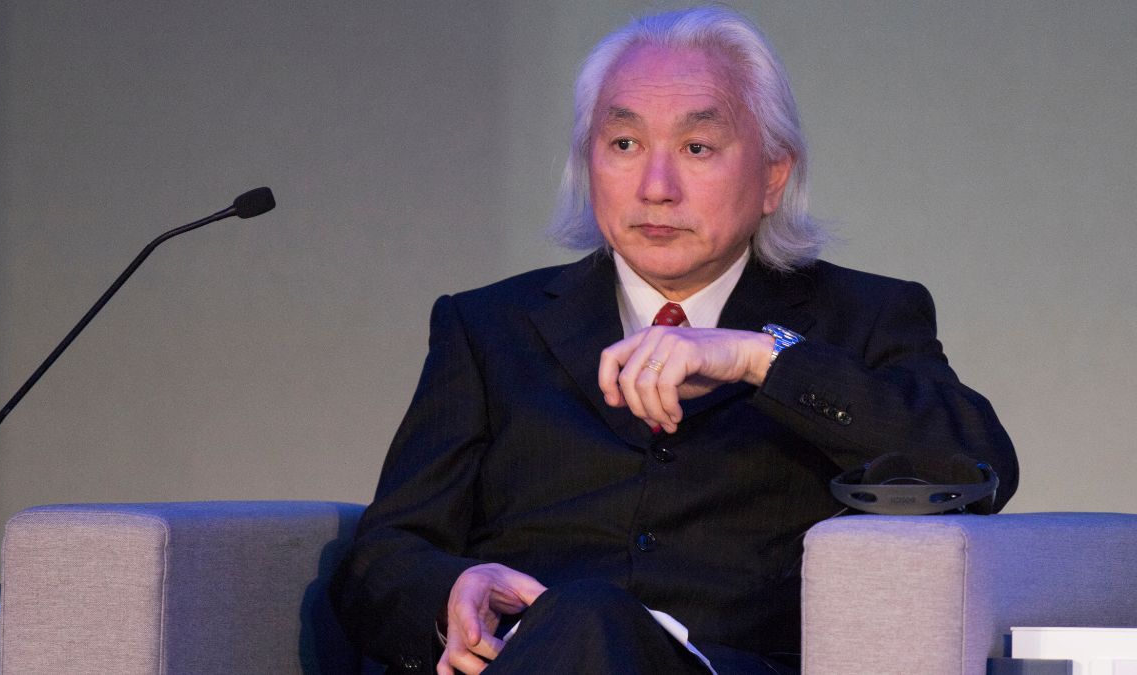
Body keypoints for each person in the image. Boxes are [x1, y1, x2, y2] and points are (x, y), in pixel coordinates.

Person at [333, 6, 1019, 674]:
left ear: (773, 176)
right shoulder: (488, 328)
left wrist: (762, 359)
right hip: (534, 655)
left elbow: (980, 469)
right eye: (624, 144)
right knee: (577, 621)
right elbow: (383, 556)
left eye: (697, 148)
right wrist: (450, 591)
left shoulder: (862, 316)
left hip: (725, 664)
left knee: (593, 618)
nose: (655, 188)